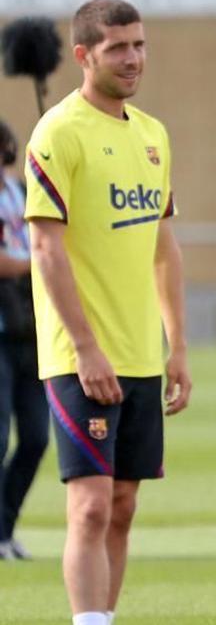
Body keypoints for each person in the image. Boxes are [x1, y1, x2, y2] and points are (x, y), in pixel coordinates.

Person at [25, 0, 191, 625]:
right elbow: (45, 246)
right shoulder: (58, 133)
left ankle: (106, 617)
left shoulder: (153, 135)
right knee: (90, 507)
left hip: (142, 354)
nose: (132, 58)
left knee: (123, 505)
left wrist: (176, 344)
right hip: (78, 355)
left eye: (140, 45)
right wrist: (86, 347)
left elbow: (163, 248)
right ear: (83, 56)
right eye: (118, 47)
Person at [0, 119, 48, 561]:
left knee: (35, 436)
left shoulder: (18, 193)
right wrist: (39, 261)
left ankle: (5, 527)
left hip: (28, 329)